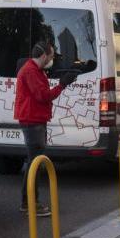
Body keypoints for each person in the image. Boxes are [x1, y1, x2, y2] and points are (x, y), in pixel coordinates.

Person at [14, 40, 76, 216]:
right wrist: (62, 84)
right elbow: (43, 96)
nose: (52, 59)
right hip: (32, 120)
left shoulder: (35, 70)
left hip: (35, 119)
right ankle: (30, 203)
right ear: (44, 55)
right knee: (36, 163)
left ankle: (28, 202)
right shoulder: (31, 71)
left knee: (34, 162)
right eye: (51, 56)